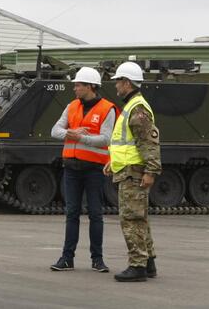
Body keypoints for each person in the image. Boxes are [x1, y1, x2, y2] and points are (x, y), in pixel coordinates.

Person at [50, 67, 117, 273]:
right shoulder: (71, 107)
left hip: (94, 170)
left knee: (95, 214)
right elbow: (55, 131)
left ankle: (97, 259)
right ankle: (67, 258)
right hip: (71, 168)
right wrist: (72, 133)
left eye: (78, 85)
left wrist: (81, 138)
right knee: (72, 213)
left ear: (90, 87)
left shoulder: (108, 109)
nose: (75, 88)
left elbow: (106, 138)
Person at [104, 61, 161, 282]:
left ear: (127, 83)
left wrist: (151, 171)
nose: (116, 85)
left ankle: (137, 266)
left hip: (134, 173)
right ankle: (148, 263)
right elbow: (126, 143)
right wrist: (114, 162)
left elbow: (148, 143)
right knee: (140, 218)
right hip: (129, 169)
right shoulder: (132, 106)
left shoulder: (136, 108)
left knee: (131, 219)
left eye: (118, 81)